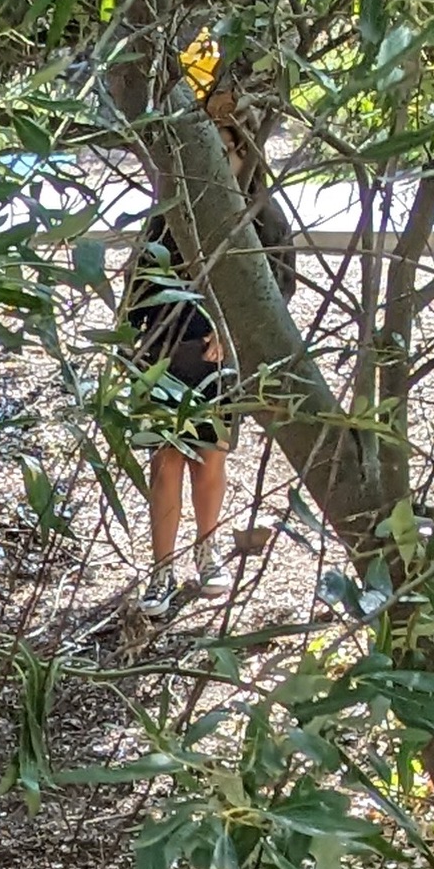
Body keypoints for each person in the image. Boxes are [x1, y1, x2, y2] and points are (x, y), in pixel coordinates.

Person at [122, 74, 295, 612]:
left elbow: (278, 286)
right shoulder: (172, 213)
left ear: (246, 156)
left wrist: (236, 333)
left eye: (228, 153)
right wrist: (137, 347)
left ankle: (207, 550)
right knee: (166, 461)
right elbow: (140, 286)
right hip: (164, 353)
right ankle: (160, 569)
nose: (219, 167)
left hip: (218, 358)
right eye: (210, 155)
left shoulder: (261, 217)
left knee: (210, 456)